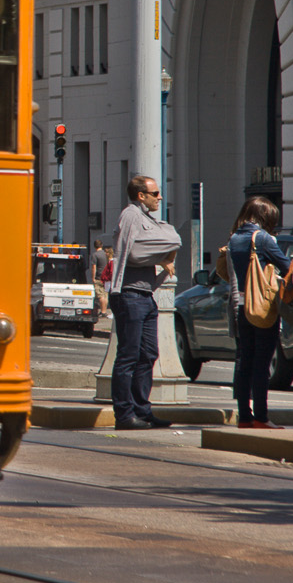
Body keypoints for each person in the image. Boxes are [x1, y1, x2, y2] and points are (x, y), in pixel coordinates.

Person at [106, 176, 181, 431]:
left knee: (147, 354)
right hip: (129, 295)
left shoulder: (148, 218)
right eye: (155, 193)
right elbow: (129, 251)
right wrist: (160, 255)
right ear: (141, 195)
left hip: (146, 296)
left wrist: (161, 255)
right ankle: (124, 416)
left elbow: (173, 238)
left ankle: (143, 411)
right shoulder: (131, 215)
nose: (159, 197)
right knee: (128, 355)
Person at [228, 195, 293, 429]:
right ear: (265, 217)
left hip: (242, 306)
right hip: (263, 308)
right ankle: (261, 416)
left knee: (245, 362)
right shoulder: (263, 239)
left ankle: (244, 416)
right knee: (262, 364)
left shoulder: (234, 238)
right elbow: (287, 267)